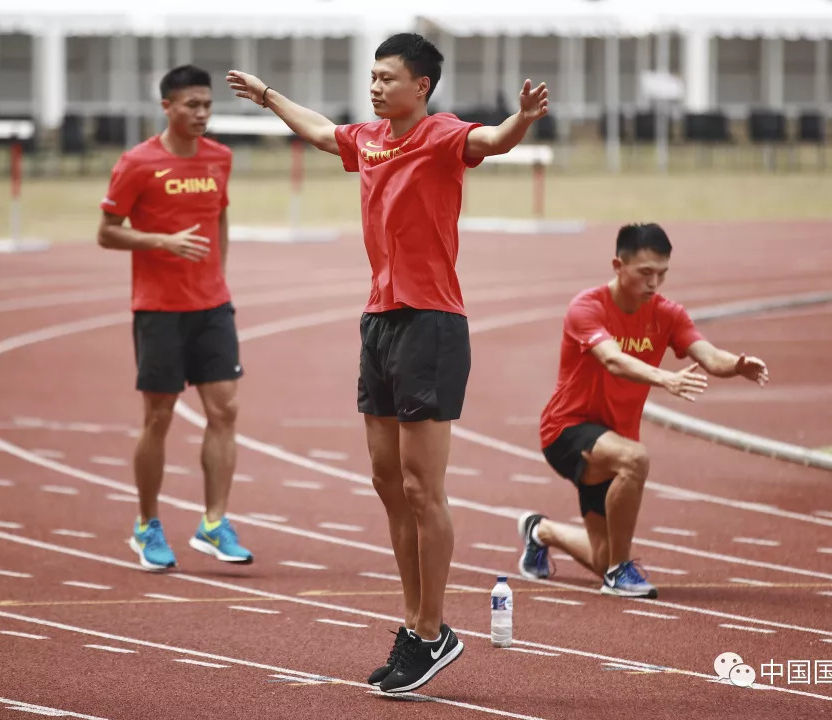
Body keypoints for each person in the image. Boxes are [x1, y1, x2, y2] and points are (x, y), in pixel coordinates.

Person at [226, 33, 549, 693]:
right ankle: (414, 624)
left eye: (386, 76)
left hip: (431, 323)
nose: (374, 86)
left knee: (424, 488)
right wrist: (266, 97)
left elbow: (494, 142)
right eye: (371, 76)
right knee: (387, 482)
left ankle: (432, 631)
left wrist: (522, 119)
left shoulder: (441, 134)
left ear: (421, 85)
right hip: (378, 321)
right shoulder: (370, 137)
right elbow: (322, 132)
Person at [519, 223, 770, 598]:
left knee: (602, 554)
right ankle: (620, 574)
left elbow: (709, 356)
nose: (655, 283)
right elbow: (614, 360)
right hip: (566, 429)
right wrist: (665, 379)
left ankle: (541, 532)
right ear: (618, 265)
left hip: (614, 436)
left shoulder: (667, 315)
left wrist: (736, 364)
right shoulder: (586, 308)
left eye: (662, 273)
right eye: (645, 272)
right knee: (635, 459)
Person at [97, 65, 252, 571]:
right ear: (167, 106)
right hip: (159, 309)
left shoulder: (220, 158)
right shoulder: (137, 163)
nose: (202, 113)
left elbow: (221, 216)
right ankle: (146, 526)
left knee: (225, 411)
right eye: (192, 105)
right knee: (158, 417)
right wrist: (161, 241)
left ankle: (214, 522)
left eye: (207, 104)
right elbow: (107, 231)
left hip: (211, 305)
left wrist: (219, 277)